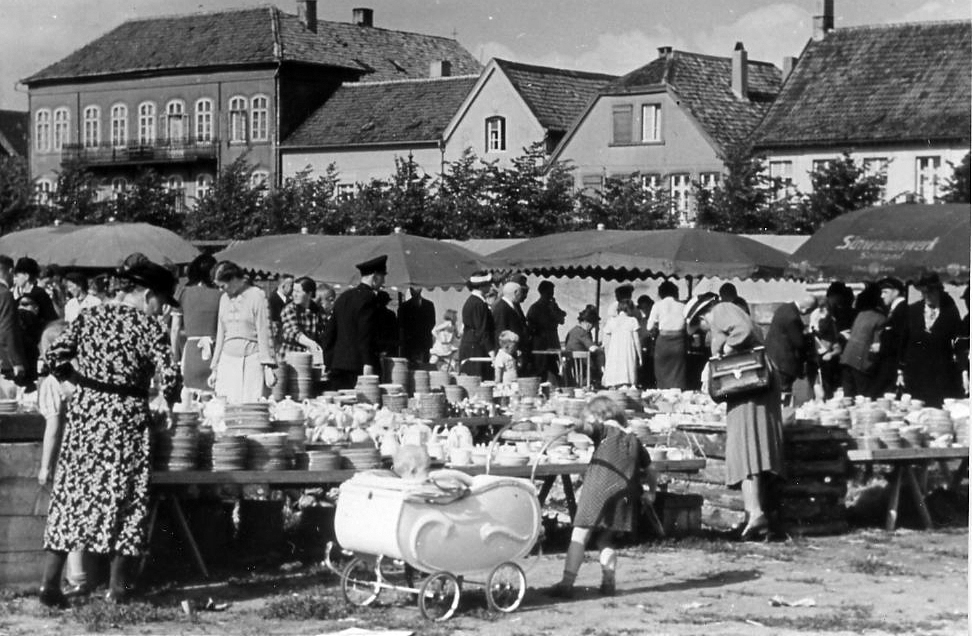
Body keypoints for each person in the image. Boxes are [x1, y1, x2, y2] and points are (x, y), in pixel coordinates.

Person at [38, 257, 182, 609]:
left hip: (87, 417)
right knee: (126, 497)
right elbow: (172, 376)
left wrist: (78, 383)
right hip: (127, 420)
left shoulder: (88, 316)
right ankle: (118, 589)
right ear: (148, 294)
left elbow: (53, 355)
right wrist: (167, 402)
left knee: (73, 495)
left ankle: (49, 586)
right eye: (161, 302)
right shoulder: (149, 329)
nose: (161, 309)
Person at [684, 292, 784, 540]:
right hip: (751, 388)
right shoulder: (728, 311)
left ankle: (756, 512)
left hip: (749, 389)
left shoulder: (721, 311)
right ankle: (755, 515)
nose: (704, 331)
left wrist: (726, 349)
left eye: (700, 325)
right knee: (752, 449)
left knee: (746, 448)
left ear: (702, 315)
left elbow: (743, 329)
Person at [548, 396, 655, 598]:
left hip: (598, 489)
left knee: (580, 534)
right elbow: (651, 469)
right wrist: (652, 492)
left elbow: (585, 428)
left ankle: (567, 583)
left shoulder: (604, 431)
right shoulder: (635, 440)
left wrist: (572, 423)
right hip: (625, 493)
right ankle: (608, 582)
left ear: (599, 416)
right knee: (605, 540)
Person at [36, 321, 97, 598]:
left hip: (67, 458)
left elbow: (53, 428)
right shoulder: (84, 377)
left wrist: (45, 466)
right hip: (90, 453)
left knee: (67, 517)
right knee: (85, 513)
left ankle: (77, 578)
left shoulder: (52, 382)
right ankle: (86, 575)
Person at [208, 261, 275, 403]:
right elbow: (221, 334)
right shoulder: (223, 299)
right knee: (226, 407)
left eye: (223, 286)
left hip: (251, 360)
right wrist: (215, 367)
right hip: (227, 361)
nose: (221, 290)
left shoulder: (257, 295)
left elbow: (265, 330)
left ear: (233, 279)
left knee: (250, 406)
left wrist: (267, 364)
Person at [322, 255, 386, 390]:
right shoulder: (369, 298)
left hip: (337, 365)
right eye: (382, 277)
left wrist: (328, 363)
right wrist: (368, 363)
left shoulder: (343, 297)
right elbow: (365, 334)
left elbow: (328, 334)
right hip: (358, 368)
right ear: (375, 277)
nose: (383, 282)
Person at [901, 273, 963, 407]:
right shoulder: (913, 311)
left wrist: (963, 370)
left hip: (940, 375)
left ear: (938, 291)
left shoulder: (950, 312)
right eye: (924, 292)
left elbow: (958, 343)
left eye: (931, 292)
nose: (927, 296)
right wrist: (900, 370)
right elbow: (903, 342)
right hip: (915, 374)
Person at [169, 253, 221, 394]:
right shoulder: (221, 295)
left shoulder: (183, 293)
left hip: (192, 351)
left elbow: (174, 329)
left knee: (191, 399)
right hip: (216, 352)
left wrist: (175, 357)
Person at [839, 284, 886, 398]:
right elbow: (876, 346)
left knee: (848, 398)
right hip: (862, 363)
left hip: (847, 359)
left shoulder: (861, 314)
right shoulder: (881, 318)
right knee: (864, 400)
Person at [764, 294, 815, 400]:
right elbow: (799, 342)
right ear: (807, 309)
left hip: (772, 356)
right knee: (784, 391)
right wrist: (809, 337)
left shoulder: (784, 308)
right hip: (784, 361)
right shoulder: (792, 317)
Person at [645, 280, 687, 389]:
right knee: (678, 373)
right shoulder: (682, 306)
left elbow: (649, 327)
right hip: (679, 341)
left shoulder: (657, 305)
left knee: (661, 372)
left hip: (663, 341)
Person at [871, 277, 908, 397]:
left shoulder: (902, 310)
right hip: (889, 364)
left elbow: (900, 340)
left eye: (885, 292)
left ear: (896, 292)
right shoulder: (895, 310)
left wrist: (881, 347)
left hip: (892, 366)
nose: (882, 296)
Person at [527, 280, 567, 384]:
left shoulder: (553, 306)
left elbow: (561, 320)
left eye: (552, 292)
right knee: (541, 371)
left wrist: (553, 310)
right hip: (541, 344)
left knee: (556, 370)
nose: (551, 294)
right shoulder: (535, 308)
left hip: (553, 342)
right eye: (549, 292)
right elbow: (531, 326)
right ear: (542, 292)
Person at [458, 273, 496, 378]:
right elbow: (482, 330)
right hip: (475, 348)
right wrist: (492, 353)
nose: (491, 287)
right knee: (478, 380)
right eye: (488, 284)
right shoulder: (478, 304)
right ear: (481, 286)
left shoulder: (474, 302)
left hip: (472, 345)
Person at [279, 277, 325, 360]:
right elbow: (294, 332)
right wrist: (311, 344)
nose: (294, 294)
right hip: (290, 357)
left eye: (298, 292)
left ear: (309, 294)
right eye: (293, 291)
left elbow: (324, 332)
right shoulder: (289, 309)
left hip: (311, 358)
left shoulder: (318, 311)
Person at [602, 298, 641, 388]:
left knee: (615, 376)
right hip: (628, 351)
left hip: (614, 352)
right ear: (629, 309)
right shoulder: (632, 320)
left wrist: (607, 356)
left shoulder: (611, 321)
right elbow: (637, 341)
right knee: (627, 372)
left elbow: (606, 341)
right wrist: (640, 356)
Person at [0, 256, 25, 384]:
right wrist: (16, 361)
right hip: (3, 361)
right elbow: (7, 329)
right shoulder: (4, 294)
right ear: (10, 271)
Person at [565, 305, 603, 385]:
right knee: (600, 355)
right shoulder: (583, 332)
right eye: (593, 324)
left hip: (572, 368)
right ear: (587, 323)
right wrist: (602, 349)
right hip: (582, 368)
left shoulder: (572, 331)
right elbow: (592, 348)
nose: (593, 327)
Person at [398, 287, 436, 368]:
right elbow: (401, 324)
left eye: (414, 289)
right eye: (411, 289)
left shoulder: (429, 305)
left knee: (424, 366)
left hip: (424, 341)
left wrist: (423, 331)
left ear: (420, 289)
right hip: (409, 342)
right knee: (409, 367)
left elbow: (432, 322)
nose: (412, 291)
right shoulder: (404, 306)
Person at [635, 294, 655, 388]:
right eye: (642, 308)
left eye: (646, 307)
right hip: (644, 351)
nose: (644, 310)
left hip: (654, 351)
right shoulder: (641, 321)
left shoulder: (655, 319)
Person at [374, 290, 400, 358]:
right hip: (388, 344)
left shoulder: (372, 314)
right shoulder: (390, 314)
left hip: (375, 344)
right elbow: (395, 331)